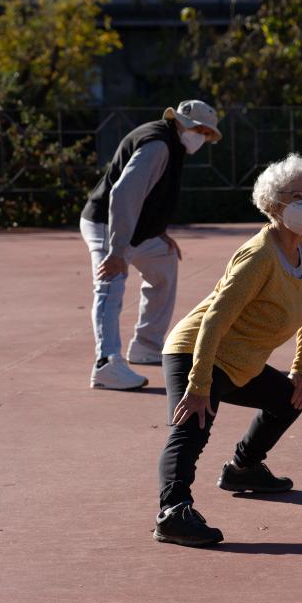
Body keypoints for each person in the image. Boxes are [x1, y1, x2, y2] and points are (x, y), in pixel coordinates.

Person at [154, 153, 302, 547]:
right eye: (299, 196)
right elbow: (214, 319)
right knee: (192, 427)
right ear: (274, 203)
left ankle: (243, 468)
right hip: (195, 350)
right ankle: (173, 512)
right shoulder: (260, 255)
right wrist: (197, 385)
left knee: (290, 398)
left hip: (239, 364)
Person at [80, 100, 222, 390]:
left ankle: (146, 345)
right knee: (111, 282)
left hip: (138, 231)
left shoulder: (172, 143)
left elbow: (152, 194)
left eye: (208, 134)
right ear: (182, 124)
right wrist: (117, 251)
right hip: (109, 225)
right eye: (201, 130)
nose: (203, 138)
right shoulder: (158, 145)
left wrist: (159, 231)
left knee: (164, 262)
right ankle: (106, 364)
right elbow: (123, 195)